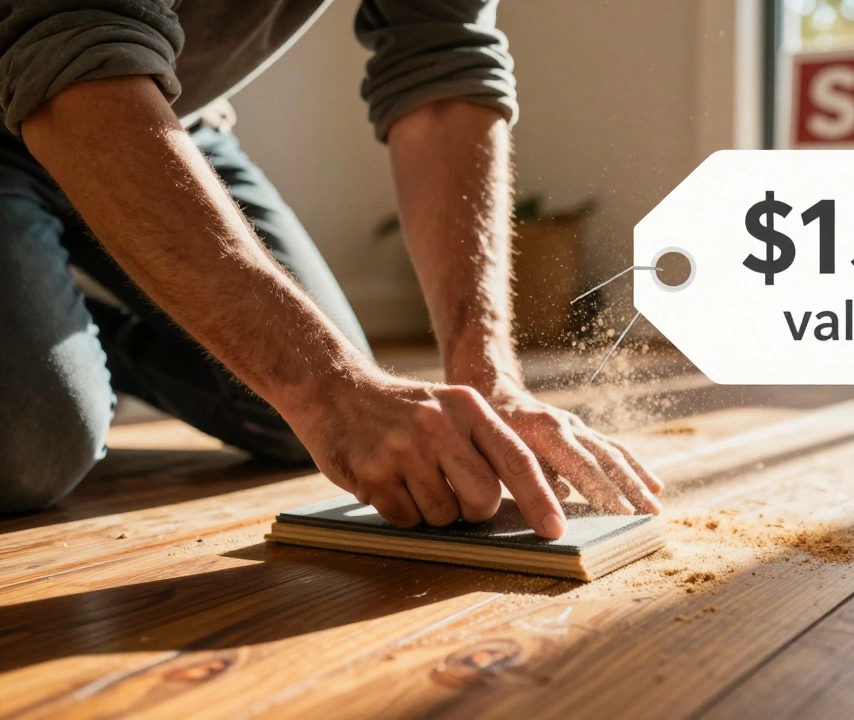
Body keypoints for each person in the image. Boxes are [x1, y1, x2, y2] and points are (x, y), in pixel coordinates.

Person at [0, 0, 663, 539]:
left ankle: (69, 309)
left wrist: (488, 377)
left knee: (288, 424)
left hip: (164, 109)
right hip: (81, 88)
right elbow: (73, 62)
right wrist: (330, 389)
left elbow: (443, 67)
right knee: (34, 448)